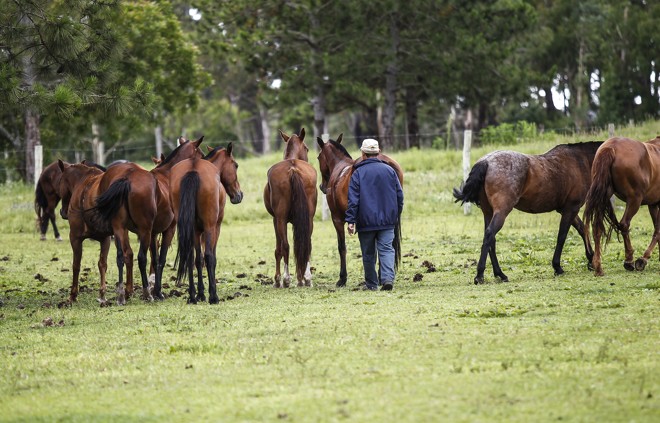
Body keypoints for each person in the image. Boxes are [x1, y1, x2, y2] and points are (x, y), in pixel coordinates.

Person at [345, 138, 404, 291]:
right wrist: (396, 214)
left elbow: (353, 200)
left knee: (368, 253)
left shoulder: (357, 173)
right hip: (387, 221)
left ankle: (371, 284)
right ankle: (387, 279)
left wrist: (351, 220)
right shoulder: (390, 171)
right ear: (378, 152)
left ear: (363, 154)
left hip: (365, 222)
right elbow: (399, 196)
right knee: (387, 249)